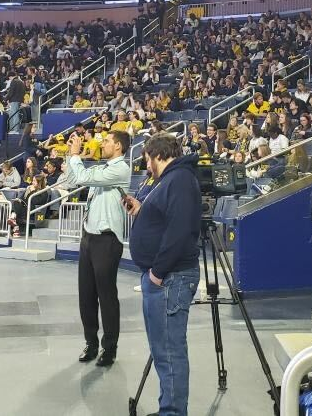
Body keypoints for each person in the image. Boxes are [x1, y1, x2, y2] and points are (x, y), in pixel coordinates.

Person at [125, 133, 202, 416]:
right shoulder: (170, 180)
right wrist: (142, 211)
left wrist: (157, 273)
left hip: (170, 279)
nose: (147, 166)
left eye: (147, 159)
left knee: (169, 354)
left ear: (158, 154)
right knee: (163, 351)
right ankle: (168, 408)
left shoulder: (180, 179)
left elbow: (180, 230)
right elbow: (167, 218)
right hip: (165, 278)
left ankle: (172, 412)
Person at [64, 130, 132, 367]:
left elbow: (83, 176)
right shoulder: (102, 169)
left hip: (107, 240)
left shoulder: (120, 168)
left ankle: (109, 348)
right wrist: (69, 155)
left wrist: (75, 156)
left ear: (119, 146)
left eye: (107, 141)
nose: (103, 143)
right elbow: (74, 179)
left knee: (107, 296)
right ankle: (90, 343)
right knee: (86, 295)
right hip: (89, 238)